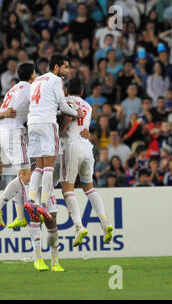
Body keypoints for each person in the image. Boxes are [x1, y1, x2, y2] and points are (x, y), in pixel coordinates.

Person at [25, 55, 82, 221]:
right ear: (56, 67)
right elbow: (63, 105)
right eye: (65, 67)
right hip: (47, 123)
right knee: (49, 166)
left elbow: (37, 102)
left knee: (39, 167)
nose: (67, 70)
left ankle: (30, 200)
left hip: (33, 123)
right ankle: (43, 204)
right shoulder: (56, 80)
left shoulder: (36, 81)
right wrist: (75, 113)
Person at [58, 79, 113, 248]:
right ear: (82, 93)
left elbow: (65, 119)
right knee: (89, 187)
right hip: (86, 147)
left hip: (71, 146)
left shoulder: (64, 102)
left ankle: (78, 226)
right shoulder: (88, 106)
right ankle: (104, 222)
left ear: (67, 91)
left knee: (67, 188)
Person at [0, 63, 35, 228]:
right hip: (12, 131)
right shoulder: (30, 89)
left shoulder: (13, 90)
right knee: (26, 175)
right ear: (32, 75)